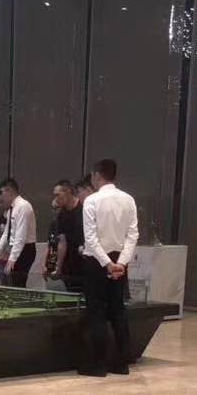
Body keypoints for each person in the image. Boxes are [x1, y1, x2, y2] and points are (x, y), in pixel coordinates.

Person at [80, 158, 139, 376]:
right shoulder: (129, 200)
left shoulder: (92, 201)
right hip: (119, 261)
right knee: (118, 310)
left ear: (97, 175)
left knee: (96, 312)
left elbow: (90, 238)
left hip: (97, 261)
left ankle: (97, 365)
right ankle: (121, 363)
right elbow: (132, 235)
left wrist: (107, 264)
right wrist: (121, 263)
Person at [0, 178, 37, 288]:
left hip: (25, 249)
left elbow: (21, 235)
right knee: (13, 282)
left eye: (1, 193)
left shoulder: (23, 206)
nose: (1, 197)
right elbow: (6, 233)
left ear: (9, 190)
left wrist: (13, 258)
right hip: (15, 248)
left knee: (18, 283)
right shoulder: (12, 208)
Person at [49, 179, 84, 294]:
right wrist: (58, 267)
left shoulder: (84, 207)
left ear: (68, 192)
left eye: (57, 195)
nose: (56, 199)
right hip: (69, 264)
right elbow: (62, 242)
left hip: (85, 260)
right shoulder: (61, 215)